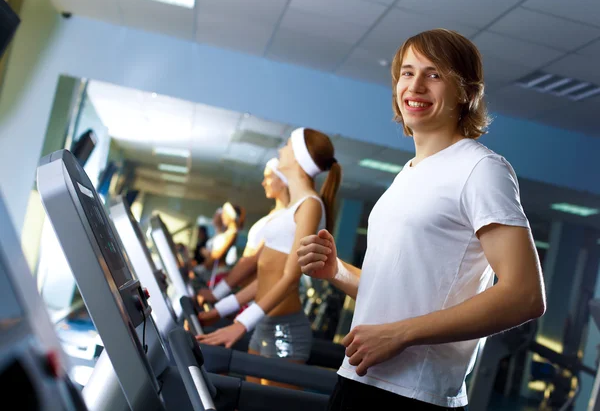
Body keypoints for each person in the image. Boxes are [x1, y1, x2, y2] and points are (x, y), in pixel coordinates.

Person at [296, 29, 546, 410]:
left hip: (414, 396)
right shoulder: (410, 173)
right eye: (407, 72)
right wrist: (337, 272)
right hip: (360, 378)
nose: (415, 85)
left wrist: (402, 335)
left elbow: (525, 294)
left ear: (466, 91)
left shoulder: (481, 168)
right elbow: (400, 295)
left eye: (434, 74)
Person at [197, 127, 342, 387]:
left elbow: (289, 278)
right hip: (264, 323)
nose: (280, 150)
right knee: (248, 399)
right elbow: (265, 277)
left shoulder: (310, 205)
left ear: (297, 156)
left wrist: (241, 323)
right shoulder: (291, 209)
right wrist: (220, 309)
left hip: (285, 330)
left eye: (286, 145)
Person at [196, 158, 290, 305]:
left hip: (253, 300)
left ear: (283, 180)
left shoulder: (283, 218)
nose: (263, 183)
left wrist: (217, 294)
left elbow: (252, 262)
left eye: (268, 177)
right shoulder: (274, 215)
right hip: (245, 295)